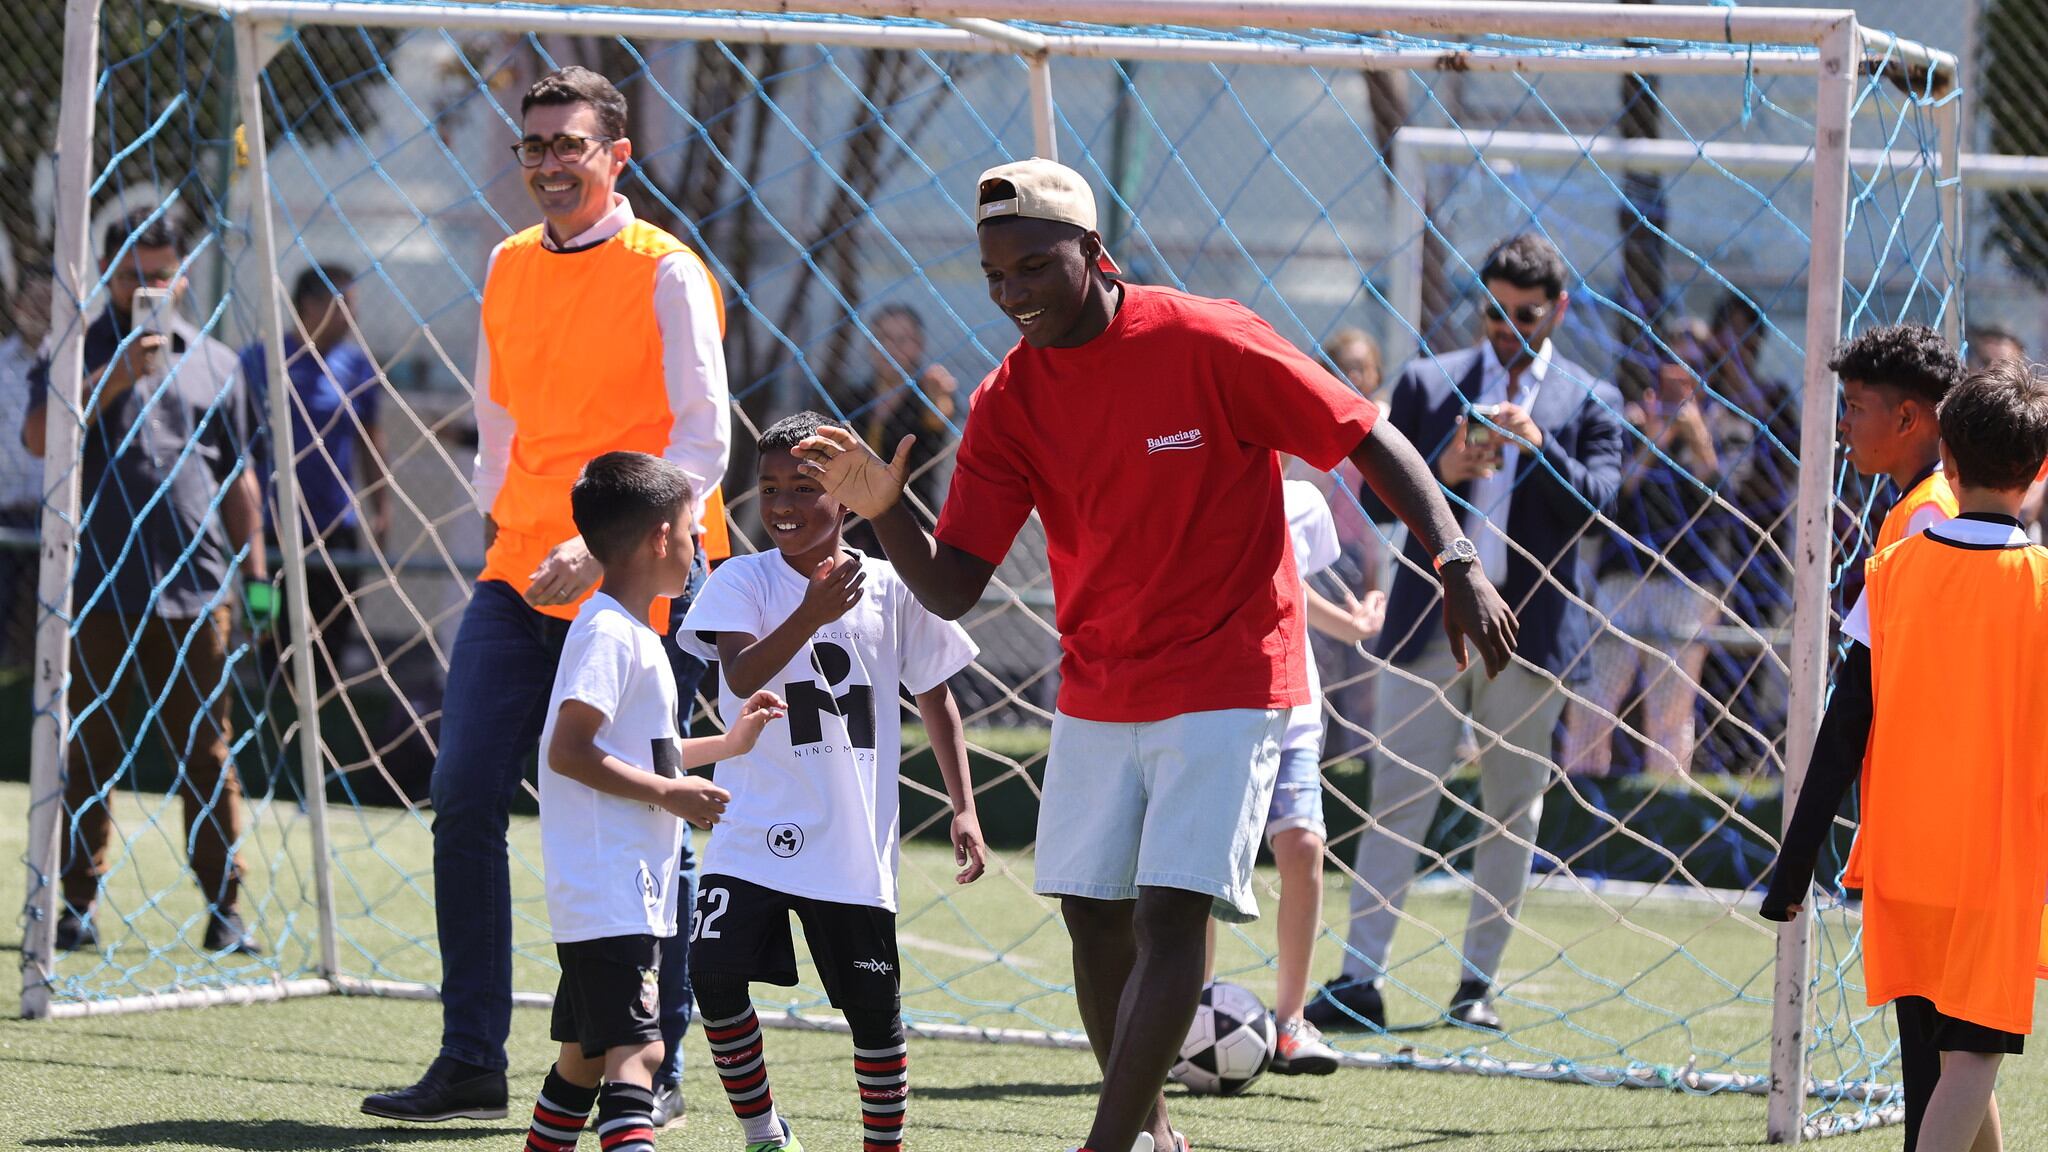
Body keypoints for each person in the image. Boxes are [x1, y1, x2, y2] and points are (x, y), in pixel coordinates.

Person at [793, 157, 1516, 1152]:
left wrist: (1455, 557)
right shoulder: (1006, 400)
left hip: (1230, 672)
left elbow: (1366, 436)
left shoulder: (1206, 338)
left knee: (1170, 916)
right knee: (1091, 916)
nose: (1012, 295)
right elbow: (954, 583)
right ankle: (1155, 1134)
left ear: (1093, 254)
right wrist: (886, 515)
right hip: (1098, 682)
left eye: (1035, 268)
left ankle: (1107, 1145)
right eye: (995, 275)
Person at [362, 66, 731, 1127]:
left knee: (647, 816)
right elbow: (498, 417)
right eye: (534, 147)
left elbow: (703, 443)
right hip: (515, 573)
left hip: (638, 583)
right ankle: (473, 1055)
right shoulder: (507, 264)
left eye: (570, 144)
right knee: (464, 793)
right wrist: (510, 522)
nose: (549, 163)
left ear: (617, 155)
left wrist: (596, 546)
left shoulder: (668, 273)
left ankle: (648, 1068)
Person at [1307, 233, 1623, 1034]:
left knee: (1512, 811)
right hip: (1427, 622)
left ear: (1557, 310)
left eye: (1525, 313)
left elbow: (1601, 510)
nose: (1507, 327)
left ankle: (1475, 985)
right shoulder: (1425, 381)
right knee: (1395, 802)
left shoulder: (1590, 400)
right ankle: (1358, 979)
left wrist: (1538, 448)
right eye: (1494, 310)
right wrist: (1443, 471)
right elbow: (1376, 504)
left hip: (1528, 635)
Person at [679, 410, 984, 1152]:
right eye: (769, 486)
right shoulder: (740, 579)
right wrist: (813, 614)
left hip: (850, 839)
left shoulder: (891, 585)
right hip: (751, 826)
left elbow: (936, 696)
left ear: (848, 497)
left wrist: (965, 807)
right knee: (712, 976)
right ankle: (763, 1133)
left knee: (873, 1015)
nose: (782, 503)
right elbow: (743, 671)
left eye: (804, 485)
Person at [1763, 359, 2048, 1152]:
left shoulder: (1890, 573)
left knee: (1949, 1058)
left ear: (1946, 457)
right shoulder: (2041, 588)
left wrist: (1795, 862)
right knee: (1970, 1060)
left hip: (1901, 862)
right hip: (1992, 867)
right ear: (2041, 469)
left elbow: (1845, 719)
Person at [21, 210, 268, 955]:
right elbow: (39, 439)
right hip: (96, 588)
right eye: (133, 277)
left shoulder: (218, 362)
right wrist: (114, 377)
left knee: (207, 752)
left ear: (182, 276)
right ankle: (76, 906)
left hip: (198, 592)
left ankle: (225, 910)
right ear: (107, 274)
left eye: (161, 276)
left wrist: (256, 578)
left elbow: (240, 475)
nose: (147, 290)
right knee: (91, 748)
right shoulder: (72, 349)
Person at [521, 451, 777, 1152]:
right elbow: (569, 750)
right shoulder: (607, 632)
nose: (700, 548)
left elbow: (648, 753)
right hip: (612, 892)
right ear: (662, 538)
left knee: (583, 1060)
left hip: (623, 892)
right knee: (641, 1057)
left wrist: (728, 745)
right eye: (695, 532)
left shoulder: (638, 635)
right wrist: (672, 793)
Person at [1204, 476, 1382, 1077]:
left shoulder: (1304, 500)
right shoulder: (1196, 483)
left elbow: (1293, 590)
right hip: (1212, 707)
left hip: (1291, 708)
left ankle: (1290, 1023)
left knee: (1304, 846)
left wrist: (1351, 626)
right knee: (1197, 870)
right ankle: (1187, 1015)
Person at [1561, 318, 1729, 778]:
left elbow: (1731, 506)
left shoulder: (1728, 427)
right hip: (1624, 578)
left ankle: (1667, 803)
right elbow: (1613, 499)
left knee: (1670, 713)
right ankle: (1576, 793)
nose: (1679, 376)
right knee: (1593, 698)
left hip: (1687, 585)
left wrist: (1699, 442)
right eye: (1670, 366)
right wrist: (1655, 442)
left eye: (1690, 368)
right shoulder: (1629, 421)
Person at [239, 264, 389, 669]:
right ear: (310, 305)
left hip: (334, 530)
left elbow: (370, 442)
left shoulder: (356, 367)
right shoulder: (260, 361)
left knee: (327, 649)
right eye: (345, 306)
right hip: (269, 532)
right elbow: (234, 443)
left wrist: (382, 508)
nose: (353, 316)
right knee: (268, 645)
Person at [1, 267, 52, 667]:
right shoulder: (1, 366)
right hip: (4, 522)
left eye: (52, 303)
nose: (43, 311)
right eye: (36, 301)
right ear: (18, 306)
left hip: (56, 521)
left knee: (47, 639)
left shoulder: (79, 370)